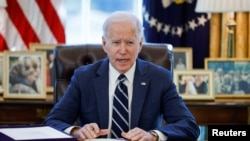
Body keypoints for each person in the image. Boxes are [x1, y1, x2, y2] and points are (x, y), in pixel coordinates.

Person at [43, 11, 200, 141]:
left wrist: (152, 136)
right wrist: (77, 131)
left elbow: (189, 126)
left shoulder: (160, 78)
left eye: (130, 43)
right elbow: (52, 122)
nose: (123, 50)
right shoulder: (84, 77)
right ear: (105, 44)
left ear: (139, 44)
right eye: (116, 42)